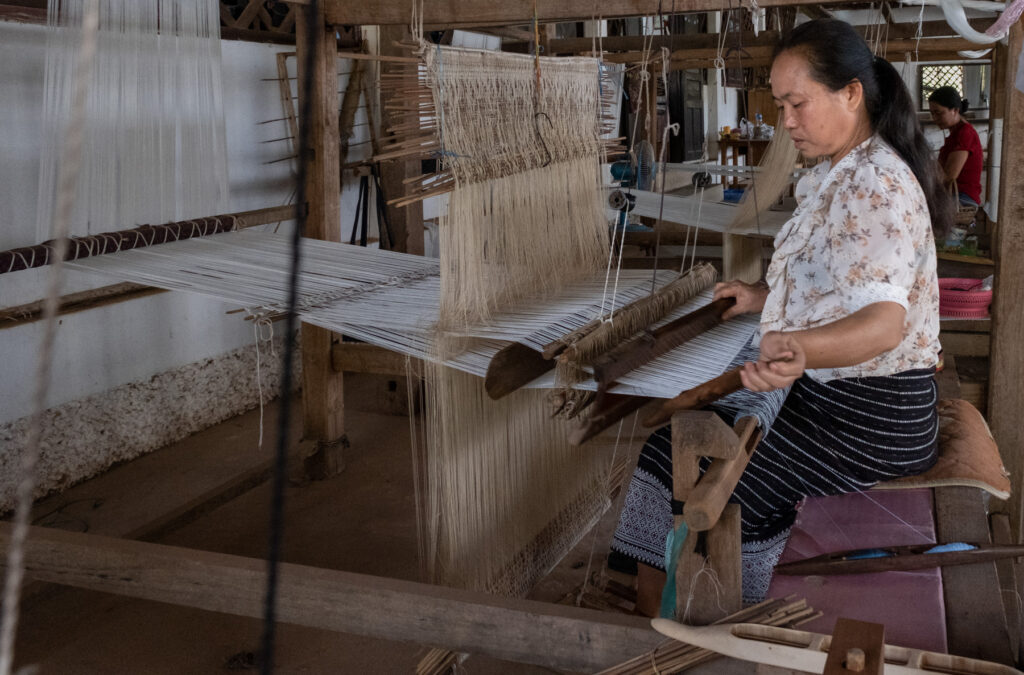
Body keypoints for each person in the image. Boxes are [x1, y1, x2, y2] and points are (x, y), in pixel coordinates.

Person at [609, 18, 952, 615]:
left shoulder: (875, 183)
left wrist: (799, 350)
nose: (785, 121)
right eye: (780, 105)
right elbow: (838, 284)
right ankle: (668, 611)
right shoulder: (838, 173)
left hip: (870, 421)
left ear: (851, 93)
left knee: (704, 477)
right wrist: (763, 298)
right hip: (832, 397)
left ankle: (699, 619)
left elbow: (883, 326)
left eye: (797, 103)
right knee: (671, 450)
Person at [928, 86, 984, 207]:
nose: (934, 118)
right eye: (932, 113)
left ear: (955, 110)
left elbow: (949, 176)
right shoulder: (955, 134)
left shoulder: (965, 134)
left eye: (938, 113)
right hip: (953, 195)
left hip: (963, 198)